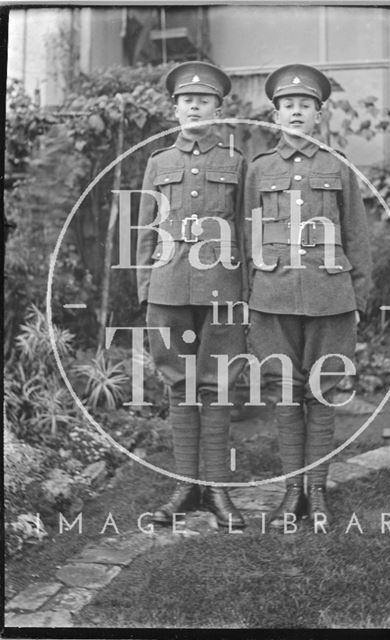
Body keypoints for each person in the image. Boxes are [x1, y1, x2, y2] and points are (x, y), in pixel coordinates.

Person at [245, 64, 371, 531]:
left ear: (319, 115)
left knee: (322, 392)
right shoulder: (260, 170)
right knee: (284, 394)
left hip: (330, 296)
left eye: (305, 106)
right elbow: (245, 234)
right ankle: (291, 491)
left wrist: (361, 295)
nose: (296, 112)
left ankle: (317, 491)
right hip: (272, 297)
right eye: (287, 106)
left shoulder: (338, 167)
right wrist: (246, 298)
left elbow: (358, 233)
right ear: (274, 114)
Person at [136, 61, 247, 529]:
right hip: (167, 285)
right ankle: (185, 487)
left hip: (222, 285)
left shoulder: (236, 163)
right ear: (175, 109)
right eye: (187, 100)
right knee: (178, 383)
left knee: (217, 383)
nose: (195, 106)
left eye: (204, 100)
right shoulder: (158, 163)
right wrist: (145, 290)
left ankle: (218, 487)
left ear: (219, 109)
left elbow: (246, 230)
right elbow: (144, 231)